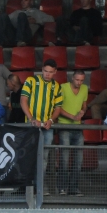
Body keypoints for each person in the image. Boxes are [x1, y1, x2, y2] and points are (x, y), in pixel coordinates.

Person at [21, 59, 64, 194]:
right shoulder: (31, 81)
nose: (47, 74)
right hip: (31, 125)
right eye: (45, 71)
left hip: (47, 127)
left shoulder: (57, 86)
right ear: (42, 70)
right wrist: (31, 118)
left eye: (51, 72)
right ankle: (27, 188)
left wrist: (51, 120)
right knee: (29, 155)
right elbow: (23, 100)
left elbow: (58, 107)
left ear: (55, 72)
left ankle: (39, 187)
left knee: (44, 158)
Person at [57, 70, 88, 196]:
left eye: (81, 80)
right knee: (64, 159)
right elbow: (58, 108)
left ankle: (74, 188)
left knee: (78, 160)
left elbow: (84, 105)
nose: (79, 82)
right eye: (77, 80)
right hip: (64, 126)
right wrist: (72, 117)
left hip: (77, 127)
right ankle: (62, 188)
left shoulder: (85, 88)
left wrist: (82, 112)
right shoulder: (63, 87)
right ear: (72, 78)